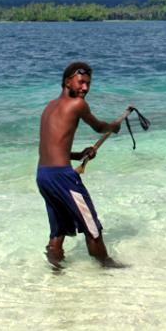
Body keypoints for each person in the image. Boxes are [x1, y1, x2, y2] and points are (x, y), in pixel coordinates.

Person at [36, 61, 124, 269]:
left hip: (43, 175)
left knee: (58, 228)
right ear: (67, 81)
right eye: (81, 82)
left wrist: (79, 155)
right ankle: (107, 265)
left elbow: (52, 148)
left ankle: (55, 272)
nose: (85, 88)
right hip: (62, 177)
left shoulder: (49, 107)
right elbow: (98, 127)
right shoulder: (78, 105)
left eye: (88, 84)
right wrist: (114, 126)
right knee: (91, 225)